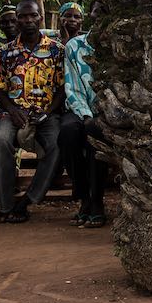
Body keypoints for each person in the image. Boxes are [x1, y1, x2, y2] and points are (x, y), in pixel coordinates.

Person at [0, 0, 64, 223]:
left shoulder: (56, 49)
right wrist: (12, 110)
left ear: (40, 17)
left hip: (45, 112)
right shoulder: (5, 51)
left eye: (32, 16)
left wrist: (48, 112)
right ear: (17, 20)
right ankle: (5, 205)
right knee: (0, 140)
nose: (28, 21)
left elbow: (62, 87)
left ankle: (28, 200)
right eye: (22, 17)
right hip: (14, 112)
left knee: (55, 145)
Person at [59, 12, 105, 227]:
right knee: (69, 132)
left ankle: (96, 201)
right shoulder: (74, 46)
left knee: (96, 133)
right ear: (91, 16)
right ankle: (83, 197)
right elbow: (72, 84)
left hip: (109, 112)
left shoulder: (122, 45)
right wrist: (85, 114)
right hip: (79, 107)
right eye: (97, 12)